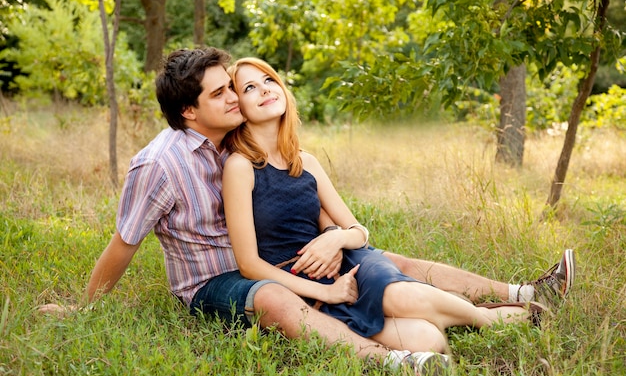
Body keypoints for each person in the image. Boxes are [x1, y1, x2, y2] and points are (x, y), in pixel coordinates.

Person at [39, 48, 574, 375]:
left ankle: (520, 295)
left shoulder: (241, 145)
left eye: (235, 89)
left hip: (285, 258)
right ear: (188, 111)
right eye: (222, 93)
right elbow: (124, 242)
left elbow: (300, 203)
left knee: (385, 259)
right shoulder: (158, 164)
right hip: (216, 279)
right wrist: (85, 311)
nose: (234, 98)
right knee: (274, 295)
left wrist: (338, 238)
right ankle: (389, 360)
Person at [221, 57, 562, 368]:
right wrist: (324, 292)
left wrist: (336, 238)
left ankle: (486, 319)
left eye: (269, 79)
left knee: (402, 294)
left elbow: (357, 229)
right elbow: (250, 264)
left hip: (348, 263)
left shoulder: (305, 161)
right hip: (306, 287)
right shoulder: (240, 167)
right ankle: (501, 320)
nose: (264, 88)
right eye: (250, 87)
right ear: (239, 107)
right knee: (429, 340)